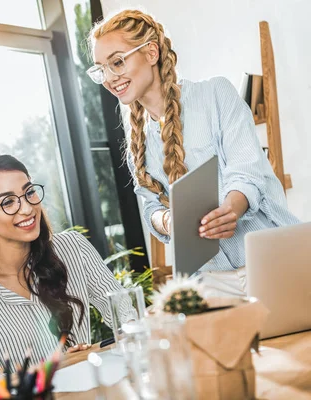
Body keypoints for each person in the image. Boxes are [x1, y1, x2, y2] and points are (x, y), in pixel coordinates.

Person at [87, 9, 299, 290]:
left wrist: (229, 211)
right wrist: (168, 221)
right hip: (209, 282)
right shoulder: (137, 142)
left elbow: (247, 173)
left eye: (117, 62)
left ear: (151, 53)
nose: (110, 78)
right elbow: (151, 207)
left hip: (272, 260)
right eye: (101, 69)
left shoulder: (215, 95)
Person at [0, 155, 133, 372]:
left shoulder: (73, 248)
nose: (27, 209)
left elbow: (126, 316)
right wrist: (52, 370)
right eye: (8, 202)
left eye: (29, 192)